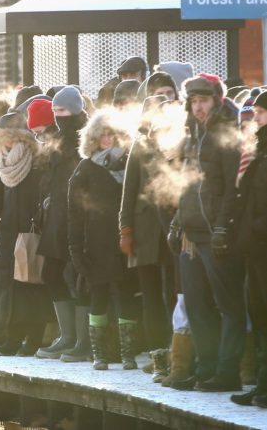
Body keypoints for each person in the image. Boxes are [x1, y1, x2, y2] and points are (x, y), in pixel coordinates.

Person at [169, 74, 244, 392]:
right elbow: (184, 186)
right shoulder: (190, 135)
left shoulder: (228, 134)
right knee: (197, 306)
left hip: (216, 232)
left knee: (228, 305)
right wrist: (177, 221)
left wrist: (223, 226)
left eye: (203, 101)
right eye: (193, 101)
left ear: (216, 100)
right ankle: (205, 367)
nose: (197, 107)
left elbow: (232, 189)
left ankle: (227, 372)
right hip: (192, 233)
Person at [69, 109, 139, 370]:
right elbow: (74, 211)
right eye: (103, 135)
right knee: (98, 295)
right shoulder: (85, 168)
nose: (108, 140)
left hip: (125, 240)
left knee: (126, 295)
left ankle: (128, 354)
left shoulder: (131, 163)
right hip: (96, 243)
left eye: (113, 134)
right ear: (94, 138)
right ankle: (100, 354)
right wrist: (75, 248)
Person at [119, 96, 176, 377]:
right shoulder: (139, 147)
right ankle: (159, 356)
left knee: (174, 296)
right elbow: (127, 193)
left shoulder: (181, 143)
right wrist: (125, 229)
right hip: (144, 233)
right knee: (152, 297)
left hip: (175, 231)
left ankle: (178, 353)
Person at [0, 112, 51, 357]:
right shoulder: (1, 161)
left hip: (29, 229)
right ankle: (12, 336)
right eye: (3, 138)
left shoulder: (37, 159)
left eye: (11, 138)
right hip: (6, 231)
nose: (8, 143)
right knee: (8, 285)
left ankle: (33, 337)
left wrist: (37, 220)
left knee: (30, 284)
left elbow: (44, 193)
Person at [36, 86, 88, 360]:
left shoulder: (84, 137)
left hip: (78, 216)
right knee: (51, 274)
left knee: (79, 277)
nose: (58, 116)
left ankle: (83, 341)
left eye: (63, 110)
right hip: (57, 215)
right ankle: (68, 335)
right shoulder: (57, 140)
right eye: (55, 111)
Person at [231, 90, 267, 407]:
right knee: (258, 317)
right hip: (254, 249)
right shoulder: (257, 149)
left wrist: (255, 229)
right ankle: (261, 384)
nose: (255, 118)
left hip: (262, 243)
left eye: (261, 112)